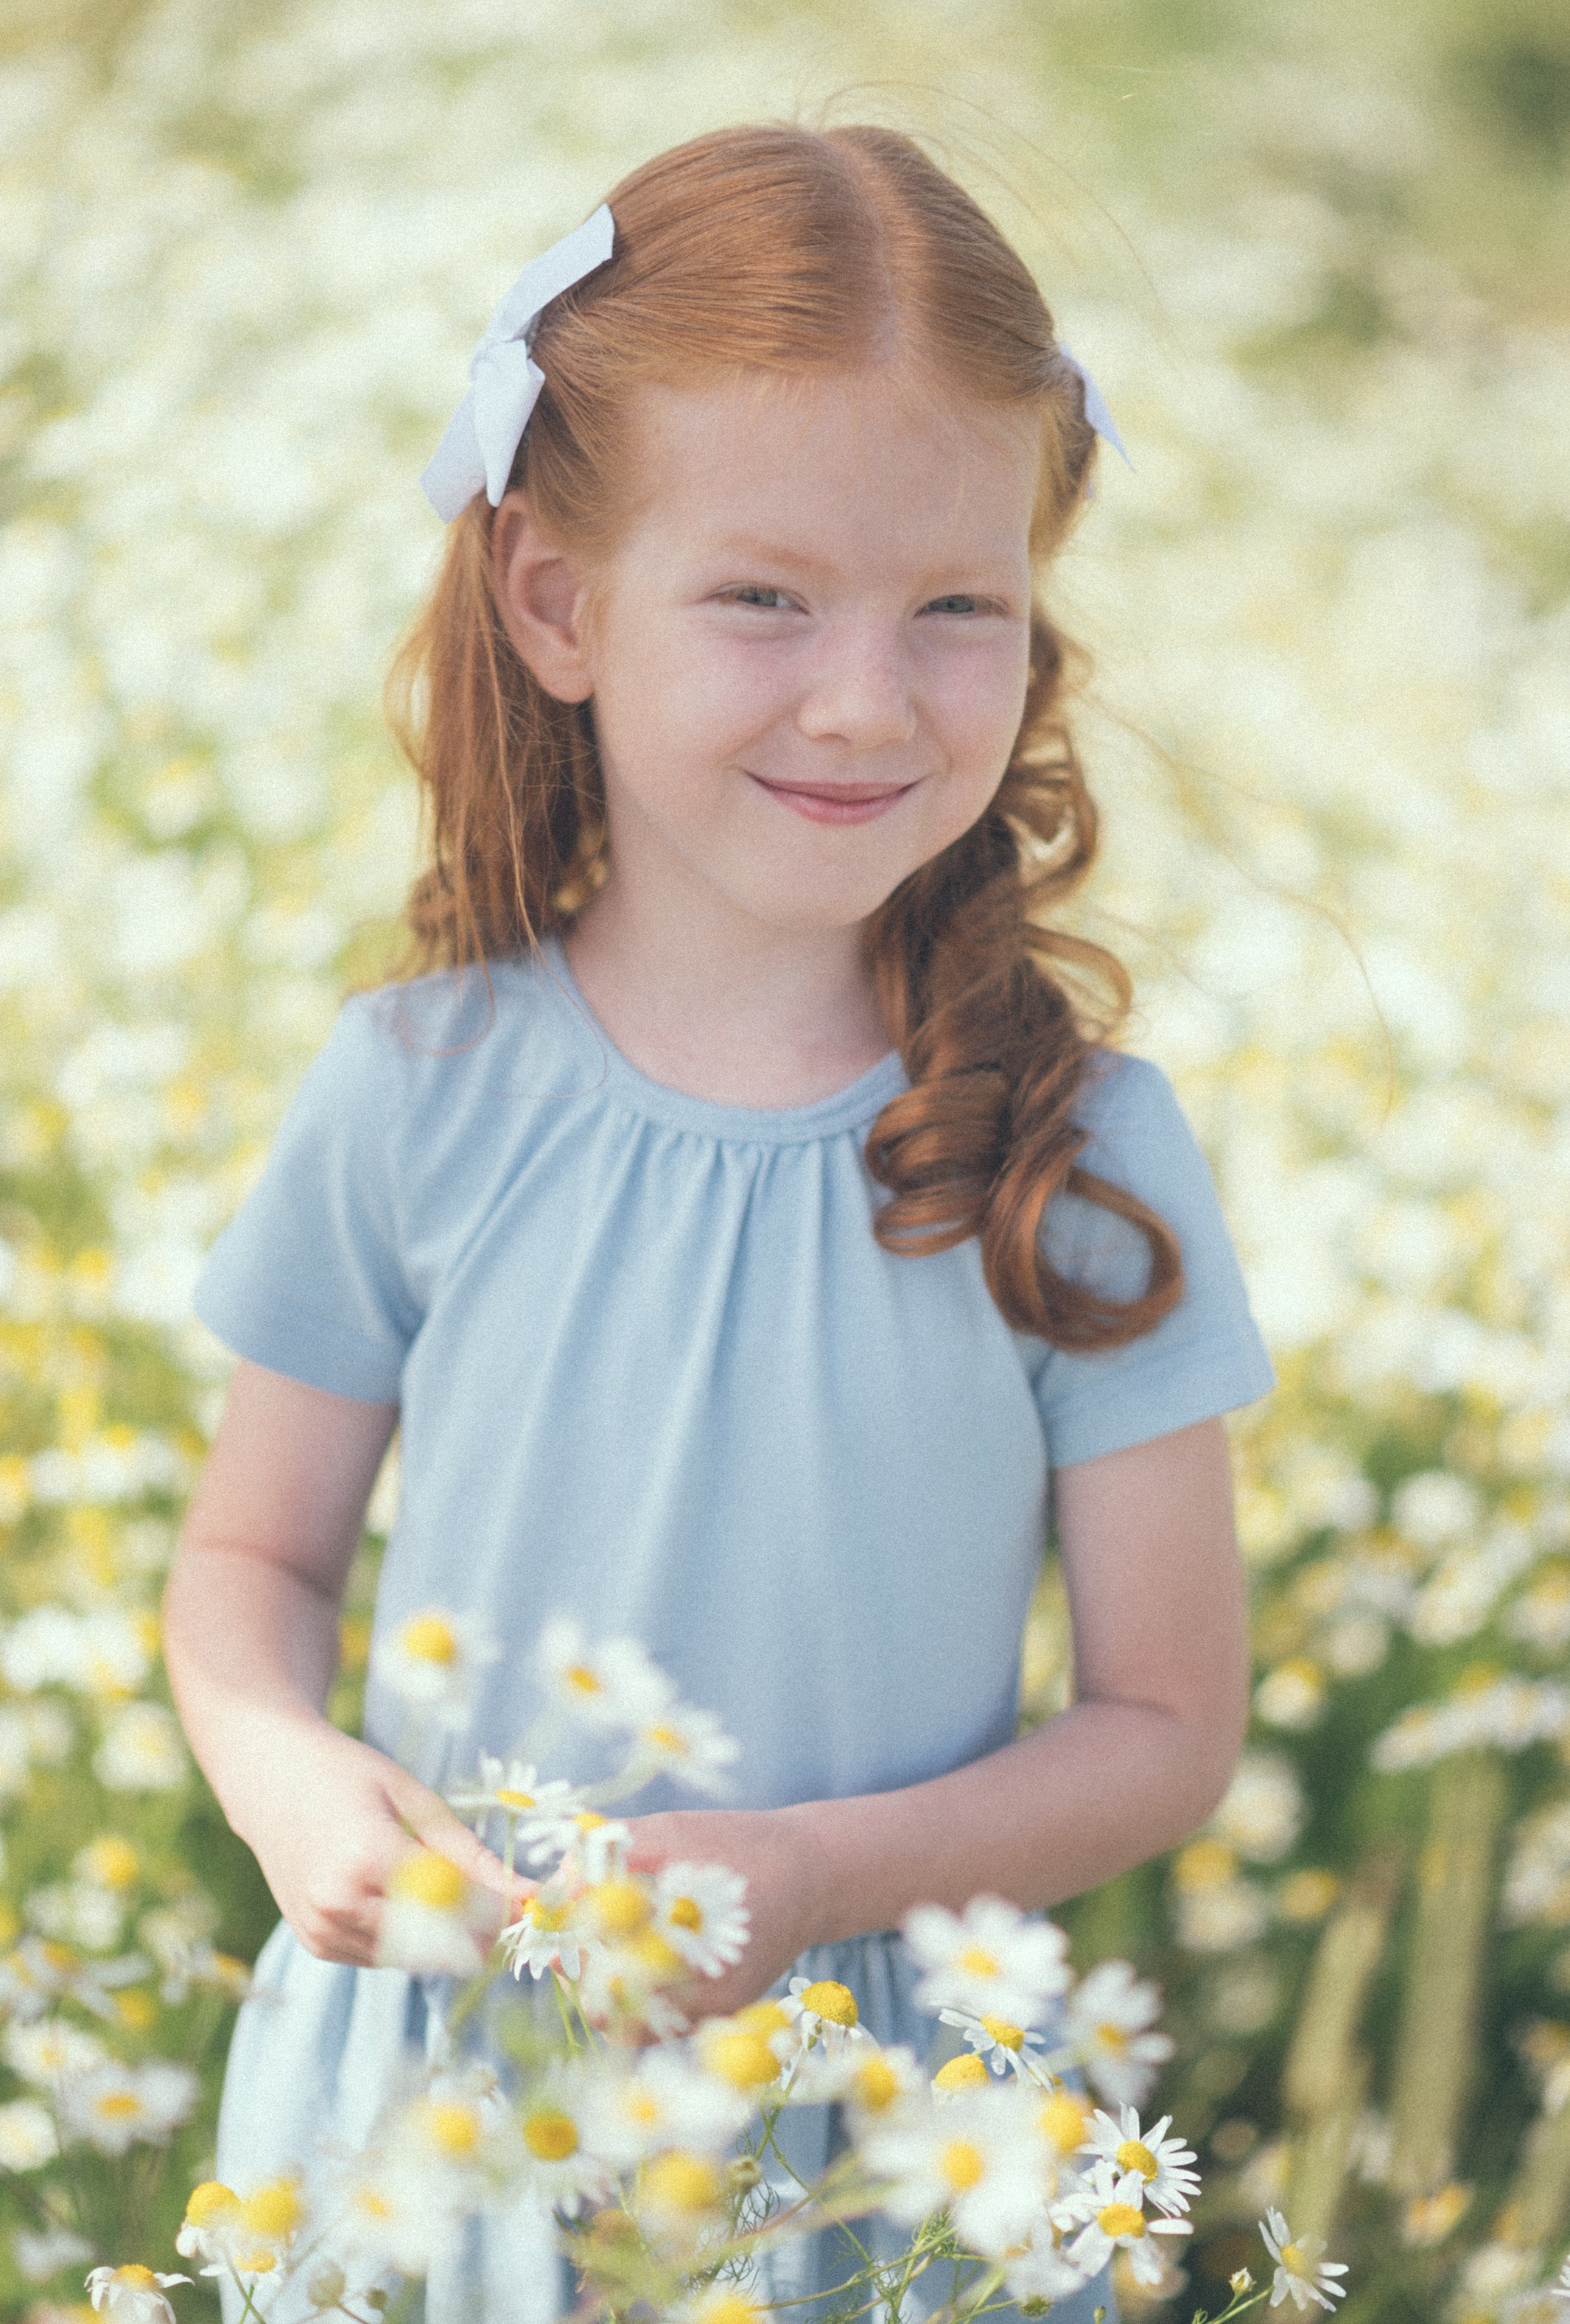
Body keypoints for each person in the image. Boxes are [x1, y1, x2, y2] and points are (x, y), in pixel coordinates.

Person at [163, 121, 1273, 2324]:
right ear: (558, 605)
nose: (866, 697)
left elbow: (1166, 1720)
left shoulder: (1079, 1147)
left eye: (955, 606)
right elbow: (246, 1565)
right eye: (762, 596)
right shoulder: (418, 1094)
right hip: (457, 2094)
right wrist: (296, 1792)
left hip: (888, 2117)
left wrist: (817, 1875)